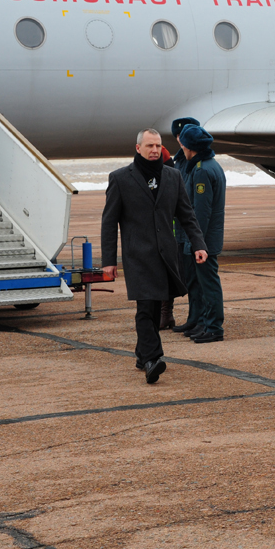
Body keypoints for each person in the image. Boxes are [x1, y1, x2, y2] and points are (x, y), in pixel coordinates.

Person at [101, 129, 208, 384]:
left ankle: (142, 355)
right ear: (138, 148)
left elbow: (186, 214)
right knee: (146, 307)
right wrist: (108, 261)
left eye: (158, 146)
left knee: (155, 304)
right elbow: (109, 222)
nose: (155, 150)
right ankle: (152, 359)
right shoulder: (120, 178)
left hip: (165, 255)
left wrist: (199, 244)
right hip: (137, 255)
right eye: (150, 146)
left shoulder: (173, 176)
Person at [176, 122, 226, 343]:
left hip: (204, 240)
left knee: (208, 285)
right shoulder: (209, 165)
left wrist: (197, 243)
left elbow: (201, 212)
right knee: (205, 284)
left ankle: (214, 327)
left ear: (190, 147)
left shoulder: (202, 170)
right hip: (207, 239)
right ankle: (206, 323)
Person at [165, 117, 200, 333]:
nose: (180, 139)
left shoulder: (197, 164)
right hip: (179, 231)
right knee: (185, 276)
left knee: (197, 279)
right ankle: (191, 317)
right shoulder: (178, 161)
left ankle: (198, 318)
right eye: (177, 135)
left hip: (190, 231)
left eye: (183, 135)